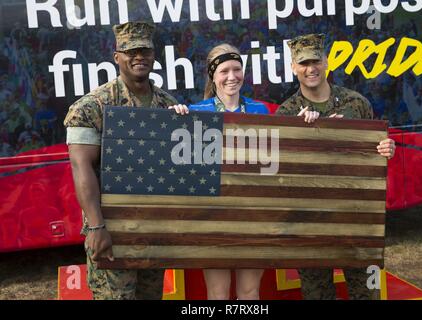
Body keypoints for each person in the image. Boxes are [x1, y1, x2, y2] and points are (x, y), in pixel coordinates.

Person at [63, 21, 182, 300]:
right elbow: (81, 167)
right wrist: (96, 226)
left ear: (154, 56)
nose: (139, 57)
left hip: (154, 228)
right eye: (130, 51)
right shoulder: (92, 106)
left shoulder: (169, 105)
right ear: (117, 57)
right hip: (112, 229)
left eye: (145, 51)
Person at [276, 33, 396, 300]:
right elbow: (280, 174)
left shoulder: (357, 103)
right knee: (317, 293)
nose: (311, 69)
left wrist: (386, 148)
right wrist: (297, 133)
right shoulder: (286, 113)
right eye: (303, 63)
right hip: (311, 222)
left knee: (366, 292)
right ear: (294, 67)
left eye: (316, 61)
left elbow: (376, 150)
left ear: (326, 62)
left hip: (357, 218)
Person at [186, 43, 269, 300]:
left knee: (249, 291)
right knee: (218, 292)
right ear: (213, 75)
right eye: (224, 71)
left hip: (253, 212)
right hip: (213, 215)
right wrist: (176, 122)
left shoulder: (260, 110)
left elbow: (271, 161)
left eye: (237, 69)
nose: (232, 76)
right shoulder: (196, 112)